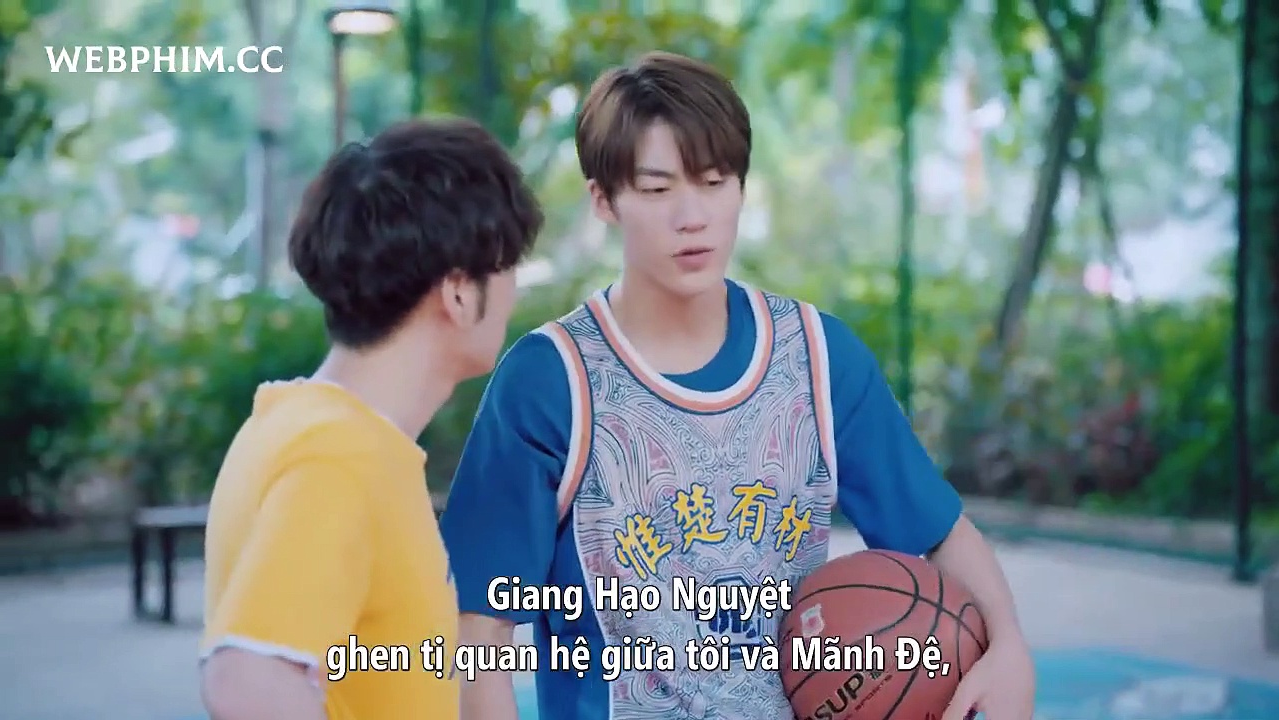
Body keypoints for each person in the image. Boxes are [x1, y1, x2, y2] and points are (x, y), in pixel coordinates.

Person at [441, 52, 1035, 720]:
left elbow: (939, 534)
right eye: (657, 190)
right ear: (603, 199)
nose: (692, 216)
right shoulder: (549, 382)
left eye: (714, 181)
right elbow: (479, 634)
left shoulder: (819, 358)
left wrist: (1008, 645)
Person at [198, 117, 543, 720]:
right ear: (460, 293)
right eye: (508, 266)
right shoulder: (342, 456)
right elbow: (247, 680)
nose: (513, 292)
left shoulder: (291, 424)